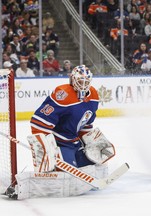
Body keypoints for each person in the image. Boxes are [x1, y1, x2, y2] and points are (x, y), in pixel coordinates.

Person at [5, 65, 116, 199]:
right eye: (80, 81)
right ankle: (33, 180)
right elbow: (38, 121)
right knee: (67, 175)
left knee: (93, 164)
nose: (83, 85)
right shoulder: (62, 94)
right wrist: (45, 146)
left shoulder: (94, 96)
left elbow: (86, 124)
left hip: (74, 141)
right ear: (72, 80)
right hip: (60, 142)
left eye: (86, 81)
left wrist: (89, 141)